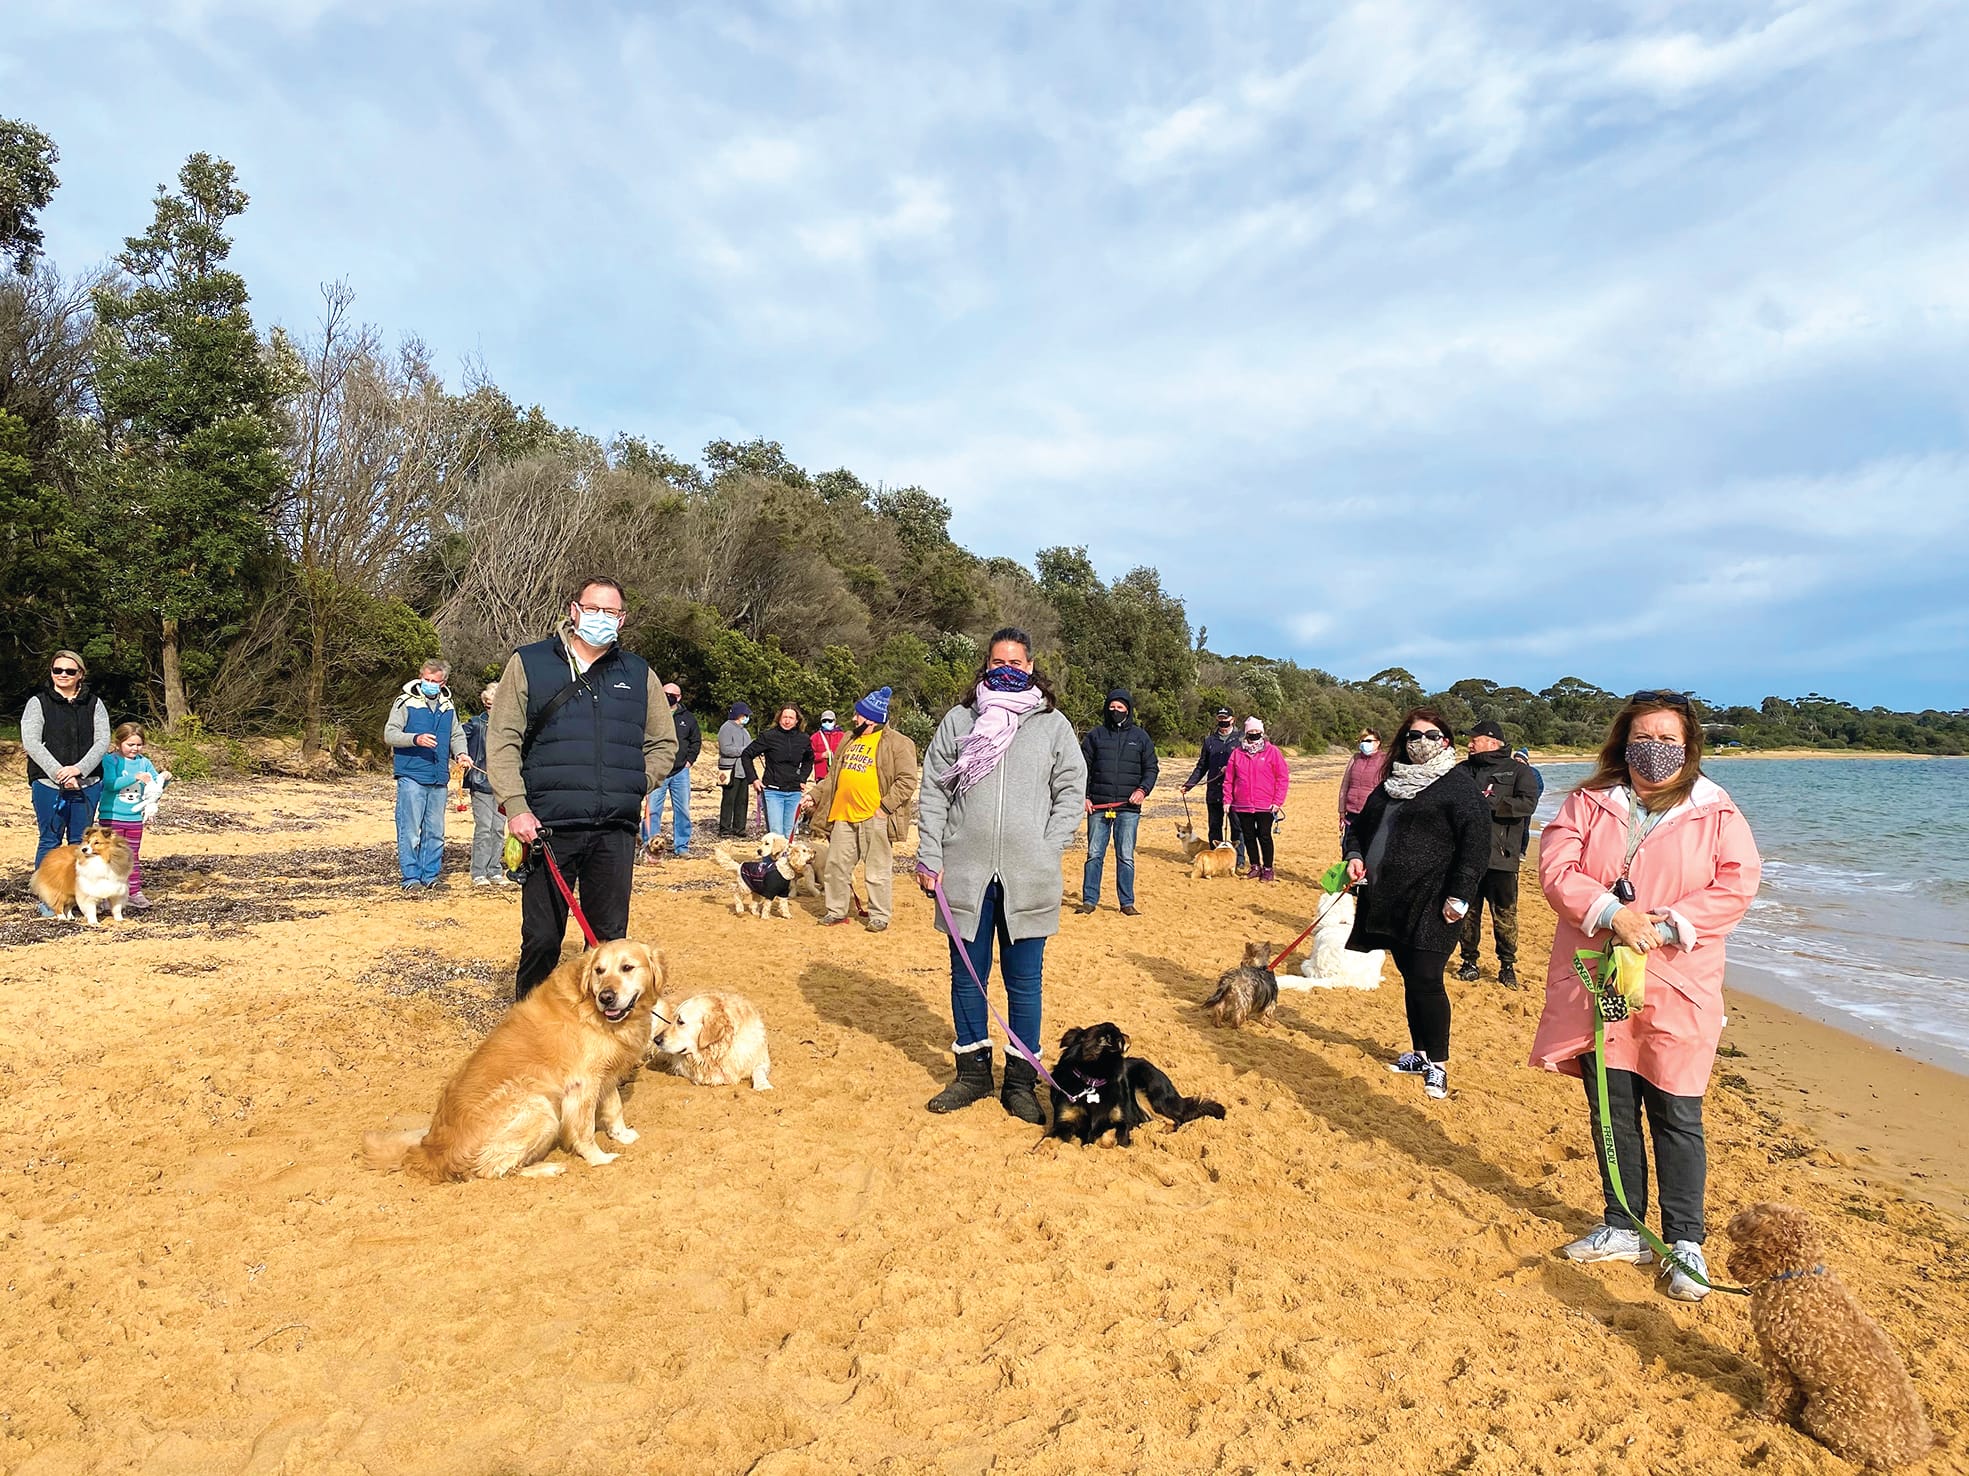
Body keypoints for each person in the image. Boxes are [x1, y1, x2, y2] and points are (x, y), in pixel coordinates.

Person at [1531, 691, 1761, 1301]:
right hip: (1602, 977)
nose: (1654, 748)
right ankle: (1621, 1223)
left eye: (1667, 739)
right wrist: (1610, 912)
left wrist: (1658, 926)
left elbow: (1736, 886)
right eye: (1644, 736)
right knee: (1611, 1104)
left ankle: (1685, 1241)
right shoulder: (1587, 801)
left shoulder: (1716, 811)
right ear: (1623, 741)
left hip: (1677, 981)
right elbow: (1556, 867)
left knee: (1676, 1111)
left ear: (1688, 747)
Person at [915, 628, 1086, 1121]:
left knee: (1024, 982)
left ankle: (1019, 1082)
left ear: (1031, 666)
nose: (1006, 668)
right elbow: (934, 791)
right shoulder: (959, 719)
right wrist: (930, 854)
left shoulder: (1052, 724)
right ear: (986, 666)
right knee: (968, 979)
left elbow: (1072, 790)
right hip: (963, 873)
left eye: (1016, 661)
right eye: (997, 661)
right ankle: (971, 1075)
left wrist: (1047, 846)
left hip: (1029, 876)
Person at [486, 576, 677, 999]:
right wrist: (515, 805)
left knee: (608, 941)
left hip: (614, 828)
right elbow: (501, 739)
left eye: (611, 612)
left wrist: (635, 783)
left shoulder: (639, 673)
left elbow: (665, 743)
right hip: (546, 827)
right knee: (541, 938)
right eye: (593, 609)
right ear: (574, 610)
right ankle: (531, 1026)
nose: (601, 618)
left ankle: (602, 1036)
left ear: (622, 619)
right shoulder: (529, 663)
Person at [1343, 708, 1489, 1101]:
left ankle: (1438, 1065)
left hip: (1436, 902)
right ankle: (1421, 1053)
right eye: (1412, 736)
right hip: (1391, 898)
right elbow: (1359, 828)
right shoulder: (1391, 783)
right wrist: (1354, 856)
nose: (1419, 742)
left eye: (1429, 735)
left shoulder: (1460, 789)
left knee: (1427, 978)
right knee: (1410, 976)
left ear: (1446, 741)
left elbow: (1475, 850)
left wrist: (1459, 897)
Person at [800, 686, 919, 932]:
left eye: (858, 714)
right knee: (835, 867)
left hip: (874, 816)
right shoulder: (848, 739)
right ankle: (835, 911)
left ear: (871, 717)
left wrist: (884, 808)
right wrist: (814, 795)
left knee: (877, 870)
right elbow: (833, 776)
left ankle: (879, 916)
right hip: (843, 815)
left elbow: (907, 780)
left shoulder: (898, 743)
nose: (854, 718)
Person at [1455, 719, 1542, 988]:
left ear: (1493, 742)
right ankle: (1468, 961)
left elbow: (1528, 803)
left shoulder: (1519, 772)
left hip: (1502, 857)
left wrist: (1493, 804)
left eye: (1474, 739)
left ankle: (1507, 965)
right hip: (1466, 856)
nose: (1469, 744)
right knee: (1466, 913)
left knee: (1505, 914)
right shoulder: (1461, 771)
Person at [23, 649, 111, 884]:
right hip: (48, 783)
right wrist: (59, 772)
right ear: (51, 672)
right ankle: (47, 896)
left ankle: (76, 893)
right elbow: (31, 742)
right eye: (57, 670)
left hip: (88, 784)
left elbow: (102, 741)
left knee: (80, 842)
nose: (63, 674)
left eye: (70, 671)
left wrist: (79, 769)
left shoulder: (94, 703)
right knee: (50, 840)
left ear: (80, 674)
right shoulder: (38, 702)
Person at [384, 658, 470, 894]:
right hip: (411, 775)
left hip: (438, 777)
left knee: (435, 832)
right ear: (420, 677)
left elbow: (456, 734)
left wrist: (462, 754)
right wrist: (415, 738)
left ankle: (430, 875)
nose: (429, 684)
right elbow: (390, 734)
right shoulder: (404, 702)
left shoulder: (447, 706)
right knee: (410, 831)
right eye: (426, 680)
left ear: (444, 683)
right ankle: (410, 877)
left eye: (435, 681)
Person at [1077, 689, 1157, 916]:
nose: (1116, 711)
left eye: (1120, 708)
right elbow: (1082, 769)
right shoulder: (1095, 736)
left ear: (1128, 710)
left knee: (1126, 855)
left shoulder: (1141, 737)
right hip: (1098, 807)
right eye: (1112, 707)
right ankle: (1089, 900)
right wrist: (1084, 796)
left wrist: (1142, 790)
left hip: (1128, 809)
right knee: (1094, 854)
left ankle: (1126, 903)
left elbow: (1151, 768)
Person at [98, 722, 169, 911]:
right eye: (130, 744)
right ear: (120, 742)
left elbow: (154, 787)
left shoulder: (144, 762)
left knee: (132, 856)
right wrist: (135, 777)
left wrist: (164, 780)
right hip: (111, 816)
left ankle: (133, 892)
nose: (135, 749)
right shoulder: (110, 760)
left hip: (134, 818)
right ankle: (107, 894)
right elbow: (110, 784)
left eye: (138, 745)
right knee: (110, 855)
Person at [1223, 717, 1289, 881]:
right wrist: (1227, 800)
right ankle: (1254, 866)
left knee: (1264, 836)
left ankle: (1268, 868)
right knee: (1248, 836)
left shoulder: (1272, 751)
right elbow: (1229, 779)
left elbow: (1282, 777)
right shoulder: (1237, 753)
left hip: (1265, 804)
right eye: (1250, 732)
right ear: (1246, 733)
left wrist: (1277, 801)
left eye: (1257, 732)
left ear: (1262, 732)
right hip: (1242, 803)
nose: (1254, 734)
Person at [643, 682, 701, 858]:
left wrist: (689, 761)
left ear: (679, 697)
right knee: (652, 810)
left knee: (682, 809)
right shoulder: (651, 713)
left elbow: (695, 741)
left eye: (672, 694)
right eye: (665, 693)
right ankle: (649, 845)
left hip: (680, 772)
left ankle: (681, 846)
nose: (668, 696)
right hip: (657, 770)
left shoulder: (688, 718)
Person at [1180, 706, 1244, 867]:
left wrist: (1230, 769)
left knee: (1237, 827)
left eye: (1226, 719)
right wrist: (1189, 785)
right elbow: (1202, 766)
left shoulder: (1241, 740)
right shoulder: (1209, 741)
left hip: (1235, 792)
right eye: (1220, 719)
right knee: (1214, 827)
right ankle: (1215, 858)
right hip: (1214, 791)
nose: (1223, 722)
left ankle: (1239, 860)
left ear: (1233, 719)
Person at [741, 704, 816, 840]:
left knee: (789, 834)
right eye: (784, 717)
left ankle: (785, 861)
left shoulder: (803, 738)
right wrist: (753, 779)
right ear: (779, 718)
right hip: (773, 791)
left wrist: (803, 778)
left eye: (791, 718)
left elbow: (809, 759)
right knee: (775, 834)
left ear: (797, 720)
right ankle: (771, 862)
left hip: (794, 792)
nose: (787, 721)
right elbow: (746, 755)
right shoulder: (768, 736)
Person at [462, 681, 506, 886]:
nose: (492, 707)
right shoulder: (475, 723)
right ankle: (478, 872)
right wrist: (463, 757)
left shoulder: (509, 724)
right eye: (488, 703)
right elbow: (457, 739)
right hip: (480, 782)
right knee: (484, 828)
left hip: (502, 785)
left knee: (498, 829)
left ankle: (495, 870)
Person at [1338, 727, 1389, 851]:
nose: (1364, 744)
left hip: (1373, 814)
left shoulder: (1385, 760)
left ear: (1378, 742)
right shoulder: (1355, 758)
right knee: (1349, 850)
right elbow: (1345, 785)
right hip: (1352, 814)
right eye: (1362, 741)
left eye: (1368, 741)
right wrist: (1341, 810)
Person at [715, 702, 753, 837]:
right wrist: (744, 751)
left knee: (742, 800)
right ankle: (724, 828)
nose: (747, 717)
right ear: (739, 714)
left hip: (743, 771)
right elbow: (725, 749)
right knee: (729, 800)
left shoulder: (744, 731)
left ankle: (739, 828)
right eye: (745, 714)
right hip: (730, 770)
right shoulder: (726, 728)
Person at [810, 709, 847, 783]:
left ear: (834, 721)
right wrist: (821, 755)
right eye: (824, 721)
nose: (827, 723)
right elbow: (808, 756)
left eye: (829, 721)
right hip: (821, 776)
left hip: (838, 774)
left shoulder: (842, 736)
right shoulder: (815, 737)